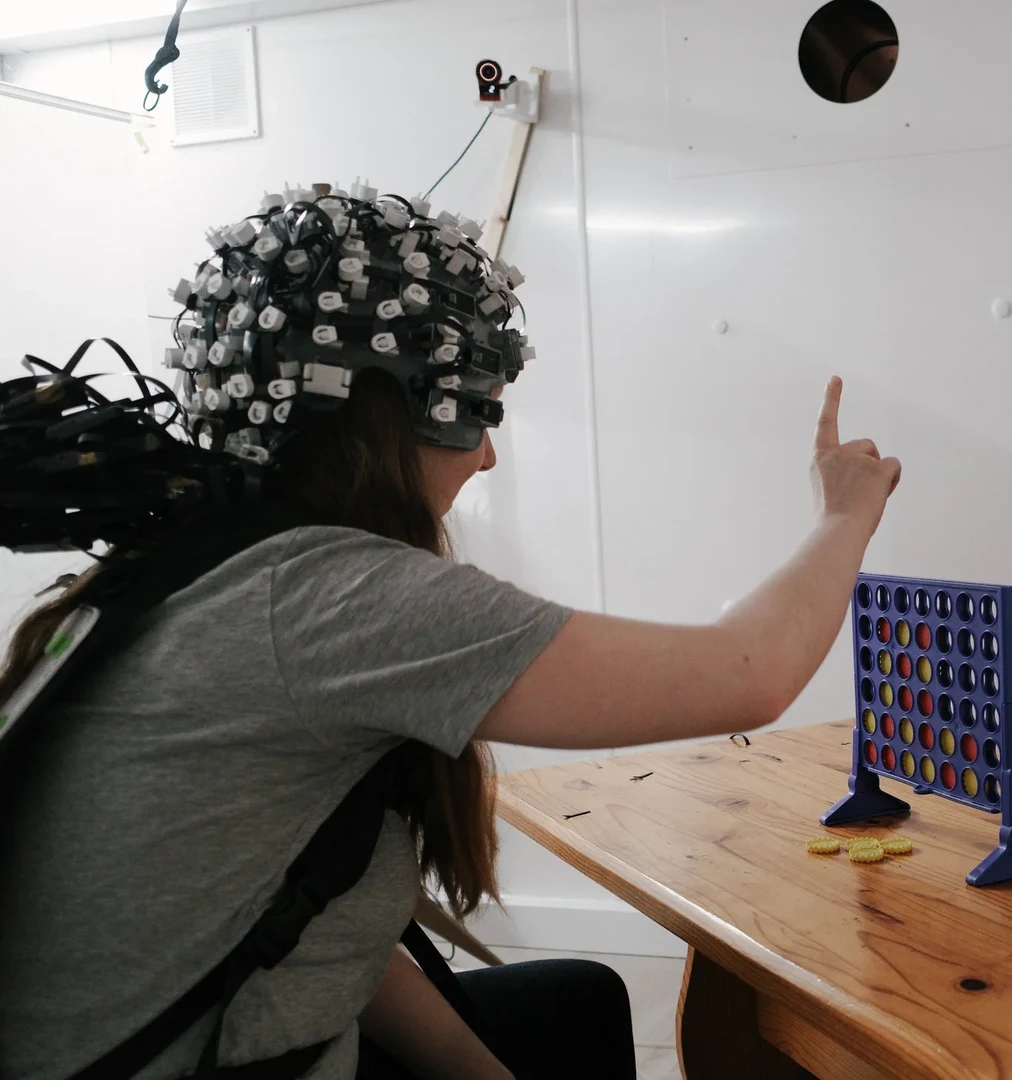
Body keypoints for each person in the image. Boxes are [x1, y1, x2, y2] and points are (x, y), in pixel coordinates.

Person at [0, 184, 901, 1079]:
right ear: (398, 412)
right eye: (483, 411)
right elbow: (748, 673)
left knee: (573, 1003)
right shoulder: (325, 598)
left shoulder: (190, 562)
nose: (488, 454)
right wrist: (844, 512)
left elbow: (299, 922)